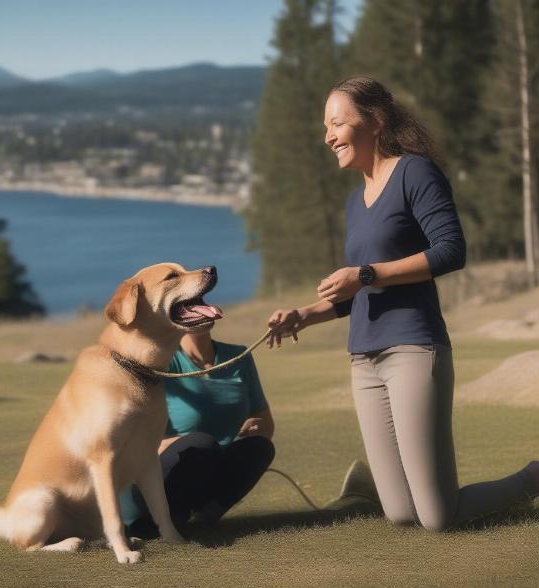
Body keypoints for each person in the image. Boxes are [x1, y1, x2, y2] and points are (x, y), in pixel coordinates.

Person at [267, 75, 539, 532]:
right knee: (400, 513)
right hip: (363, 360)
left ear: (374, 122)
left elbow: (451, 250)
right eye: (326, 126)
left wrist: (367, 273)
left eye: (337, 123)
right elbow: (359, 290)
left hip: (413, 349)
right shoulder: (355, 203)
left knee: (437, 517)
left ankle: (532, 477)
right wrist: (305, 315)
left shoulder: (414, 172)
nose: (328, 136)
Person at [120, 327, 276, 537]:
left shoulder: (238, 357)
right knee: (200, 444)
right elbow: (128, 437)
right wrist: (173, 443)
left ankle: (202, 519)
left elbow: (265, 424)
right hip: (158, 473)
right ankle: (147, 522)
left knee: (259, 447)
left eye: (200, 301)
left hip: (208, 466)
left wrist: (255, 426)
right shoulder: (158, 362)